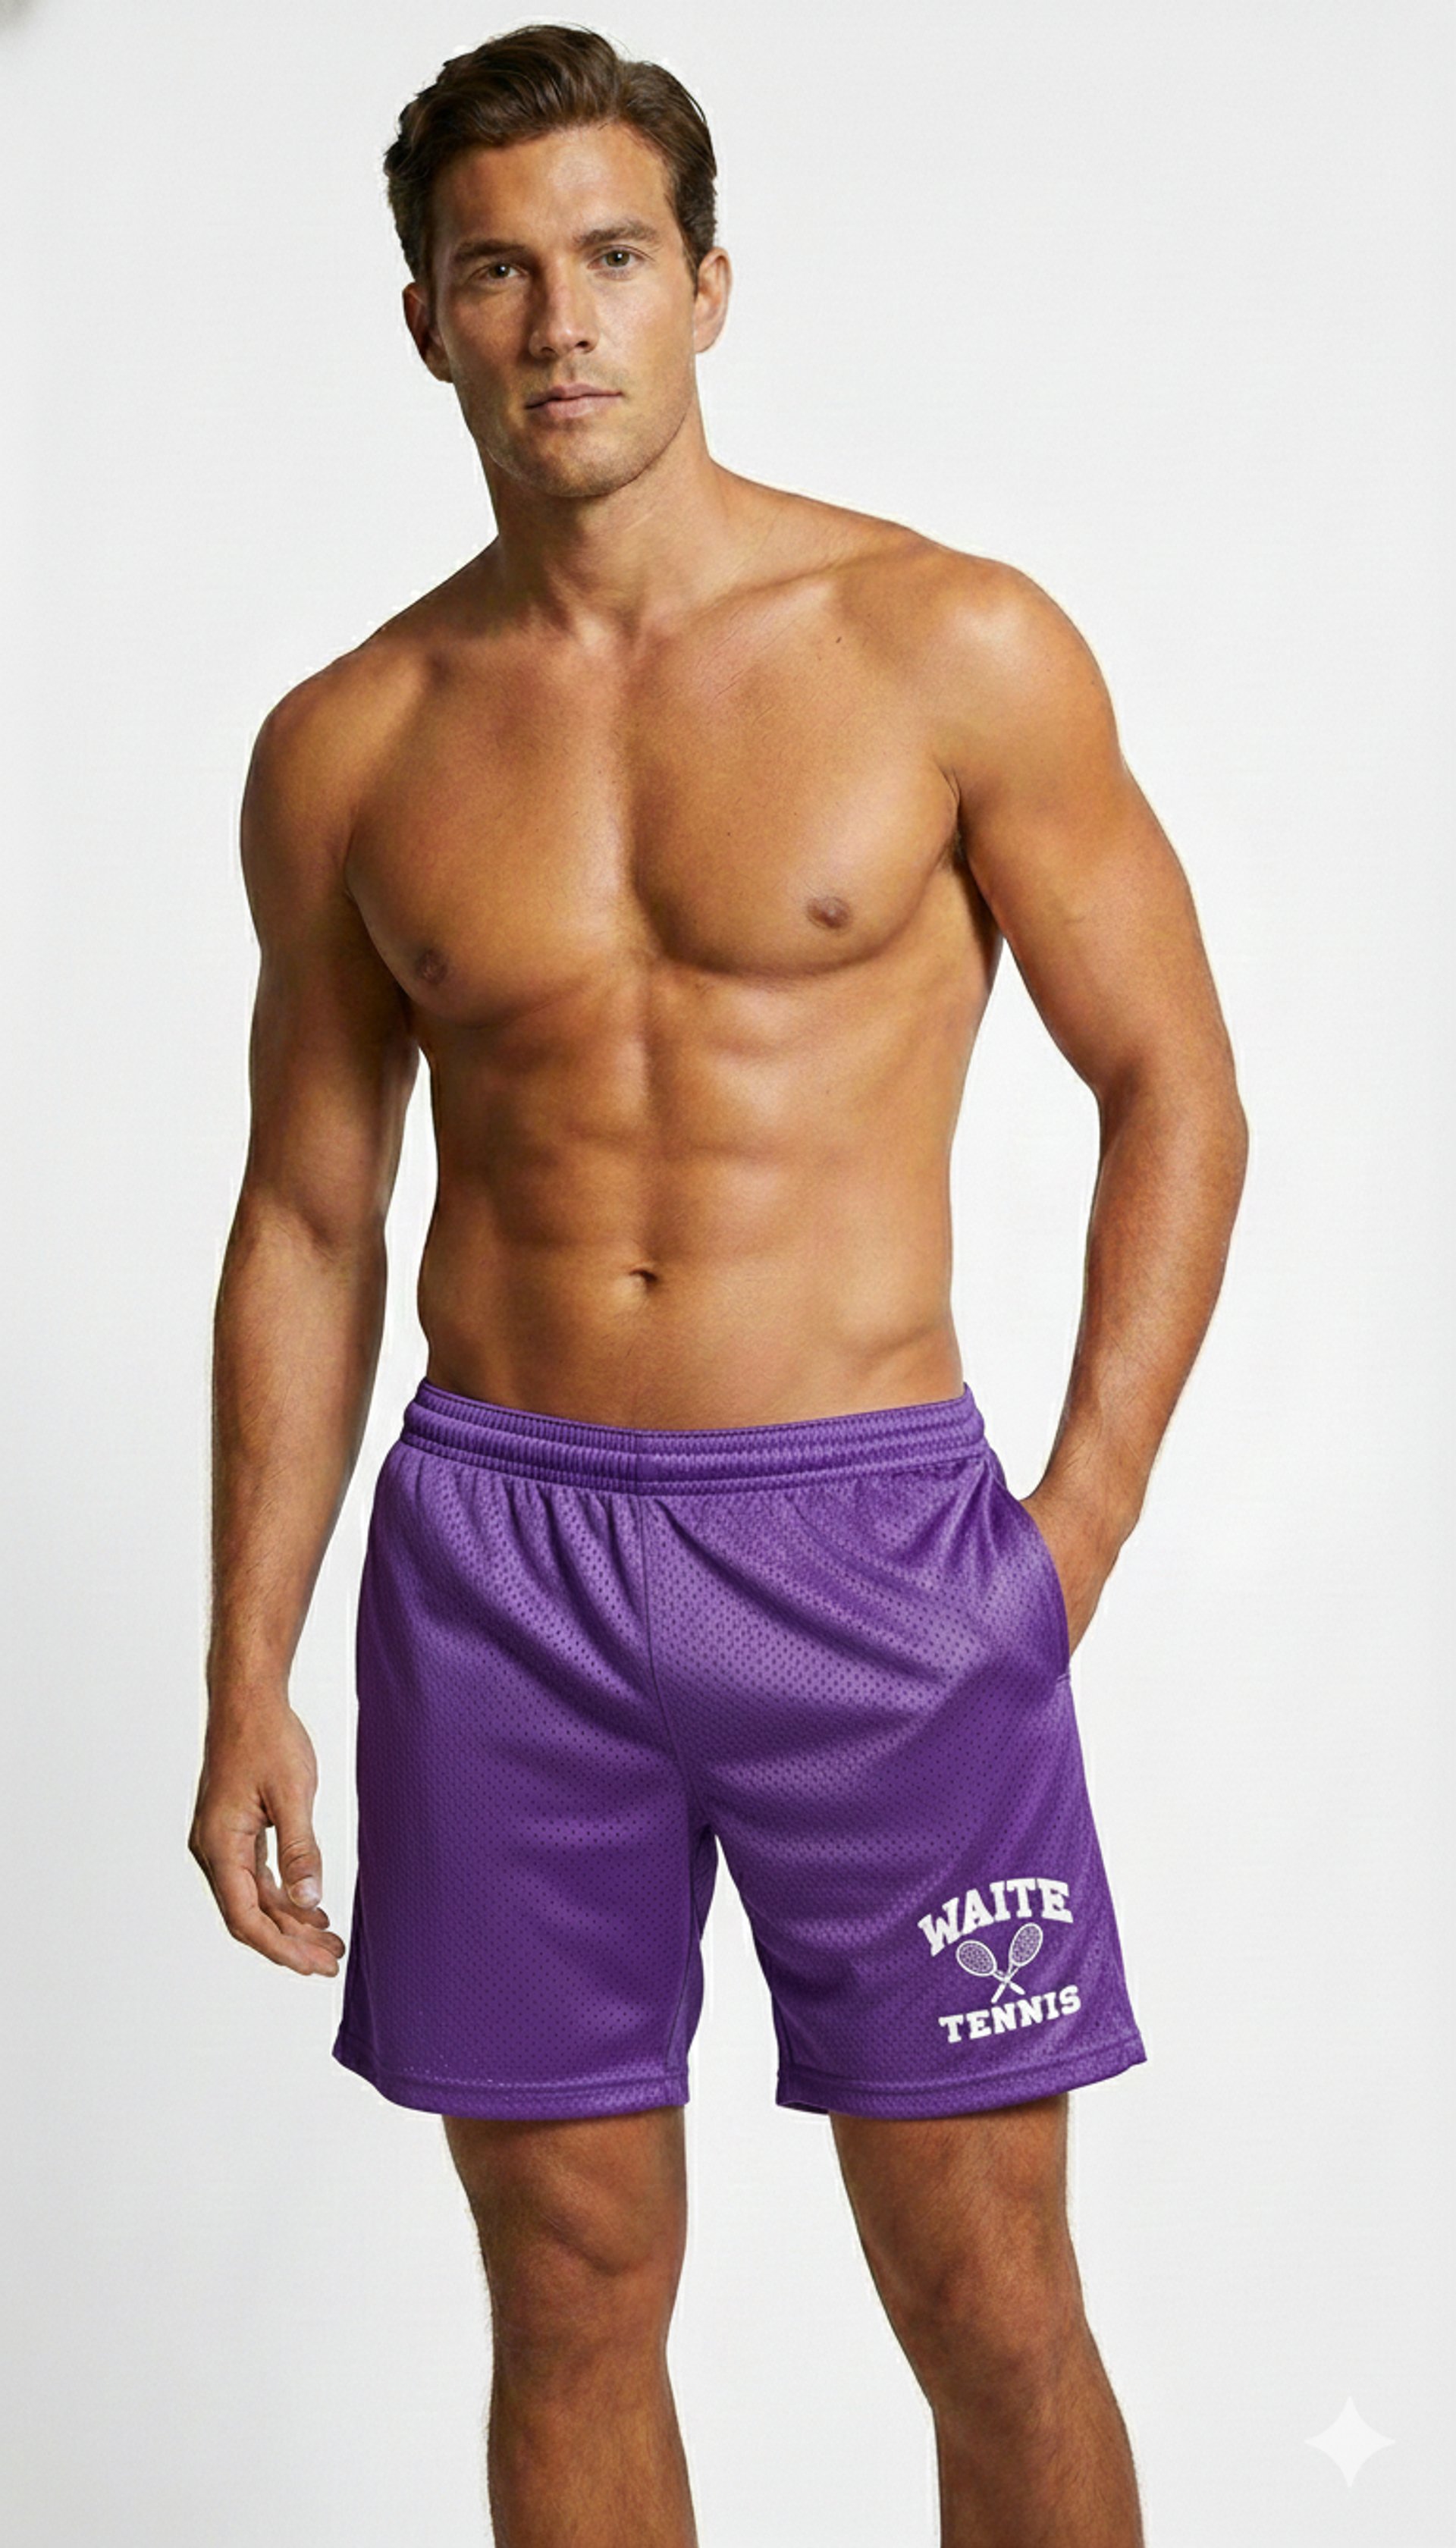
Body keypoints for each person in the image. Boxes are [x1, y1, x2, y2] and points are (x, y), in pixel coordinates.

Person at [189, 24, 1247, 2546]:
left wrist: (1064, 1546)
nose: (561, 320)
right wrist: (248, 1662)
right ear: (426, 322)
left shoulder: (950, 643)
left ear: (709, 286)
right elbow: (311, 1212)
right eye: (498, 273)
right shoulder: (351, 743)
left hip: (876, 1550)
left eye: (613, 258)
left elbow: (1177, 1090)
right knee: (565, 2290)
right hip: (505, 1562)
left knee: (986, 2292)